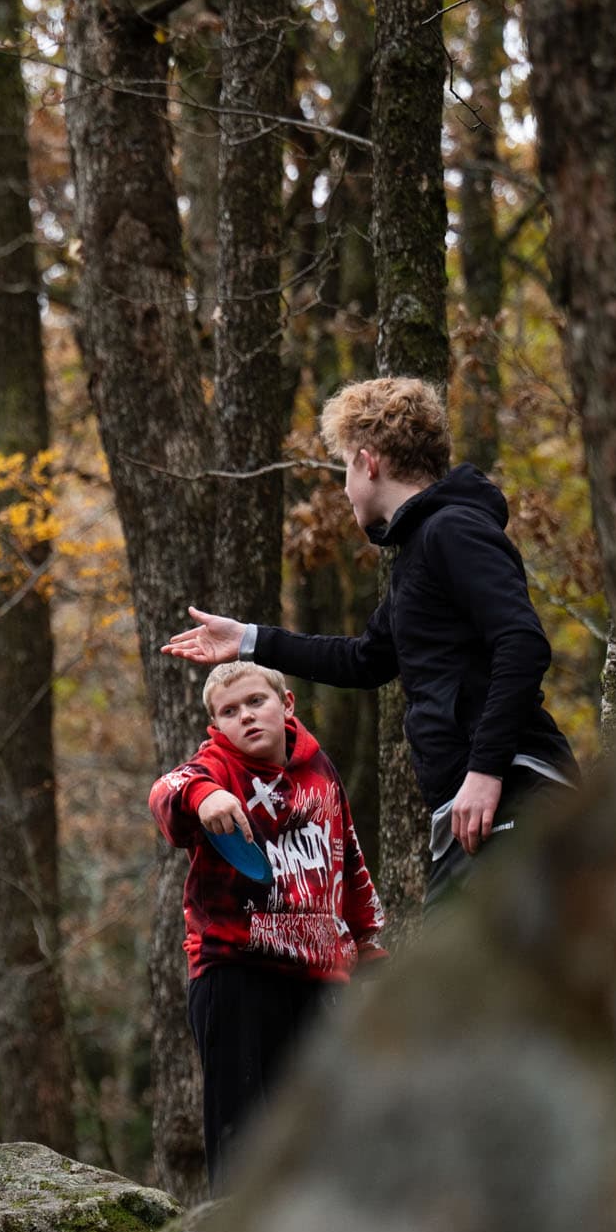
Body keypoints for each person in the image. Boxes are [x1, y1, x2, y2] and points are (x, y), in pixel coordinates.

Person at [161, 377, 577, 898]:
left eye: (344, 469)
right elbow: (366, 660)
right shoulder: (419, 553)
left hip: (514, 788)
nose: (344, 486)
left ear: (368, 462)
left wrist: (486, 769)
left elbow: (523, 642)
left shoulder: (453, 529)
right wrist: (249, 639)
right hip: (474, 798)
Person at [149, 661, 382, 1175]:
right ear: (216, 725)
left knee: (326, 1142)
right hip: (236, 972)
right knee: (243, 1146)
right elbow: (167, 790)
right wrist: (204, 796)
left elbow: (348, 856)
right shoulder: (212, 768)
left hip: (321, 979)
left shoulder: (320, 769)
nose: (247, 718)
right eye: (229, 712)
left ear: (287, 705)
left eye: (257, 702)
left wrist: (367, 943)